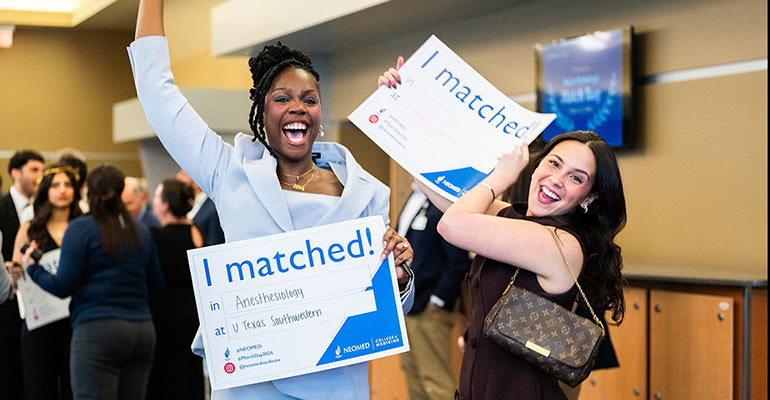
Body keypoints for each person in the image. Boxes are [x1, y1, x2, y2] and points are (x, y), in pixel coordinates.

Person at [130, 1, 414, 399]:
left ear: (319, 110)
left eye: (309, 99)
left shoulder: (367, 192)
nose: (298, 107)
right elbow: (158, 96)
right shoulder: (228, 171)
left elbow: (382, 307)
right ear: (261, 111)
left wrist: (399, 276)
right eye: (282, 98)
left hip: (335, 384)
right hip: (251, 383)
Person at [22, 165, 165, 400]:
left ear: (87, 190)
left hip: (97, 331)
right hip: (142, 332)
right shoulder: (140, 230)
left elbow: (62, 286)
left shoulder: (80, 229)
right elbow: (157, 285)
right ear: (120, 191)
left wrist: (33, 269)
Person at [10, 164, 83, 400]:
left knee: (76, 387)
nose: (62, 190)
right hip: (40, 320)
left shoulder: (84, 228)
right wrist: (14, 272)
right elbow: (16, 269)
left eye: (68, 184)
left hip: (77, 319)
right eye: (55, 185)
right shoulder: (30, 229)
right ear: (45, 190)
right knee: (39, 388)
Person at [397, 185, 470, 400]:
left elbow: (458, 260)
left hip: (429, 307)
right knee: (413, 376)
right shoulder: (415, 198)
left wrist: (438, 298)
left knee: (436, 382)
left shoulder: (444, 205)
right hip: (407, 303)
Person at [146, 179, 205, 400]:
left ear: (165, 205)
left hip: (165, 318)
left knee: (170, 382)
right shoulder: (197, 233)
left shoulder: (155, 237)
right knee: (193, 377)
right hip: (194, 316)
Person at [0, 149, 44, 400]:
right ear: (15, 173)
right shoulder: (1, 207)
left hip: (37, 302)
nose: (39, 176)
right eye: (34, 169)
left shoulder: (43, 209)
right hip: (7, 304)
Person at [176, 169, 225, 246]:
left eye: (183, 174)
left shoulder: (212, 207)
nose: (178, 177)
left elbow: (215, 241)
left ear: (196, 181)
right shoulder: (190, 204)